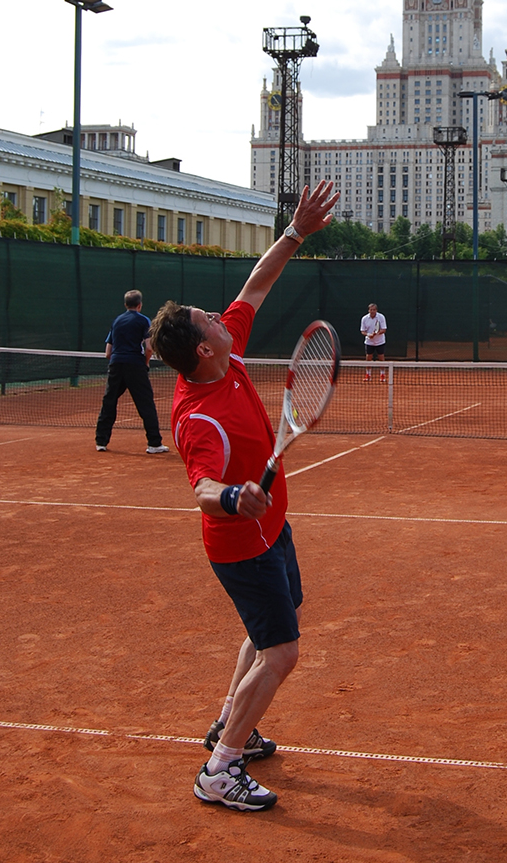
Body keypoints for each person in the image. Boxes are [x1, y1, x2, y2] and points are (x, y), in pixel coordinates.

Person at [149, 181, 337, 812]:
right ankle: (220, 770)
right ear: (204, 348)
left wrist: (295, 233)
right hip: (240, 541)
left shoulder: (222, 351)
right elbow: (201, 487)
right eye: (209, 317)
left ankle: (231, 719)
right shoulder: (197, 416)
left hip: (271, 527)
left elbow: (256, 283)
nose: (220, 313)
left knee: (266, 632)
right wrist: (234, 498)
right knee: (282, 650)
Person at [95, 289, 168, 454]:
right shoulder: (144, 321)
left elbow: (108, 352)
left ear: (125, 304)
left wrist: (118, 361)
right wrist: (145, 363)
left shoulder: (117, 321)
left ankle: (101, 441)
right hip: (135, 365)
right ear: (140, 305)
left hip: (116, 365)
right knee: (146, 404)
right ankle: (154, 444)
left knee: (109, 402)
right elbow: (149, 347)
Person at [360, 301, 387, 381]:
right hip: (369, 342)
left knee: (381, 358)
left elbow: (384, 329)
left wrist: (376, 333)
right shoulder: (364, 318)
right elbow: (362, 331)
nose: (372, 311)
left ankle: (382, 375)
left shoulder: (381, 317)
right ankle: (368, 374)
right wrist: (369, 335)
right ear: (368, 310)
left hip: (380, 342)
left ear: (376, 310)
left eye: (374, 310)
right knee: (368, 358)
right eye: (371, 310)